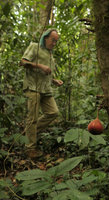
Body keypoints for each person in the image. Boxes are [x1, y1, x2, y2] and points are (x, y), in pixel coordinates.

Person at [20, 29, 63, 158]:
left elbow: (46, 74)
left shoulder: (50, 54)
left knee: (53, 112)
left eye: (56, 41)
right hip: (33, 87)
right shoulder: (35, 46)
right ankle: (30, 148)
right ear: (45, 38)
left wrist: (54, 81)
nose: (54, 43)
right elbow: (23, 62)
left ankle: (28, 134)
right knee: (32, 118)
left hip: (46, 89)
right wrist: (40, 66)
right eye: (52, 40)